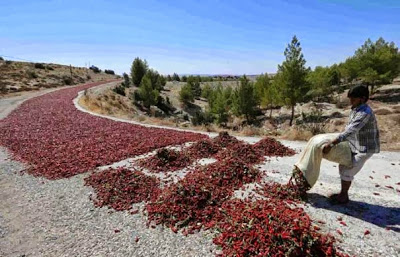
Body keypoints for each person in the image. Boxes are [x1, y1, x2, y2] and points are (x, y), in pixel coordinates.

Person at [323, 85, 380, 204]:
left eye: (353, 99)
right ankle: (343, 194)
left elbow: (351, 130)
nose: (351, 102)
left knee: (348, 169)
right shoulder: (355, 109)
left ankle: (343, 197)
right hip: (354, 144)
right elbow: (348, 127)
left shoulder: (365, 112)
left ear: (363, 98)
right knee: (343, 165)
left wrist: (332, 143)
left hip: (365, 148)